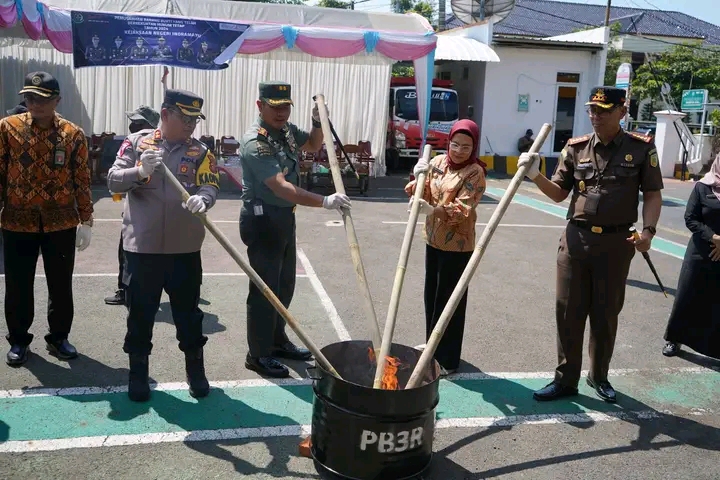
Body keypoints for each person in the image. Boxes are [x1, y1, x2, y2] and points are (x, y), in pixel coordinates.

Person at [518, 86, 663, 403]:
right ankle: (565, 380)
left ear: (621, 111)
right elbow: (558, 193)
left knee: (605, 314)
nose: (595, 116)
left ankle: (599, 376)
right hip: (577, 241)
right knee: (568, 312)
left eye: (603, 110)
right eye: (592, 110)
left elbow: (653, 193)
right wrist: (534, 175)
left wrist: (649, 231)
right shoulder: (576, 148)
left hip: (616, 243)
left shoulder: (640, 150)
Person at [107, 89, 219, 402]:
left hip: (184, 251)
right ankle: (138, 374)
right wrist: (140, 171)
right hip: (142, 251)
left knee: (189, 317)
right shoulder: (138, 143)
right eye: (185, 118)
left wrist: (204, 198)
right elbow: (113, 180)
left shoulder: (200, 151)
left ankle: (195, 371)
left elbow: (211, 183)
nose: (191, 125)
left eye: (195, 119)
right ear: (165, 113)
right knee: (140, 316)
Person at [239, 81, 350, 378]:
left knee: (284, 284)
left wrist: (317, 121)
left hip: (284, 218)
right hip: (262, 220)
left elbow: (313, 144)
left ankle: (276, 340)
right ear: (260, 105)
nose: (281, 113)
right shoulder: (256, 142)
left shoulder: (286, 131)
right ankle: (258, 354)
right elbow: (282, 187)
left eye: (286, 106)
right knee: (265, 291)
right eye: (275, 107)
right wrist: (324, 201)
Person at [1, 71, 94, 366]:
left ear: (57, 100)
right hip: (17, 221)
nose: (35, 104)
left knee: (61, 284)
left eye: (42, 99)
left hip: (61, 223)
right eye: (29, 98)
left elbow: (81, 179)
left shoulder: (72, 134)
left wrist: (87, 219)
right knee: (17, 284)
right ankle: (18, 340)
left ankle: (58, 337)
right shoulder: (8, 128)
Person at [405, 119, 486, 376]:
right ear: (448, 142)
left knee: (450, 301)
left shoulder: (474, 172)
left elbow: (463, 209)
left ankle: (448, 359)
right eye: (455, 144)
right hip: (433, 239)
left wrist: (432, 210)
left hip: (458, 245)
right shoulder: (438, 163)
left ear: (473, 147)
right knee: (432, 295)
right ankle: (432, 346)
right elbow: (423, 190)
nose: (459, 150)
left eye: (466, 146)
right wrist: (417, 175)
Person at [662, 154, 720, 360]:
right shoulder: (703, 187)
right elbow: (691, 218)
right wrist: (714, 237)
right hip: (699, 252)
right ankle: (674, 339)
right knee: (687, 295)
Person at [105, 105, 160, 306]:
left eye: (137, 122)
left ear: (148, 124)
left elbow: (115, 177)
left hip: (138, 212)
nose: (133, 125)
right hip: (157, 211)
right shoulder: (163, 140)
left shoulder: (136, 140)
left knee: (129, 253)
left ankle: (126, 291)